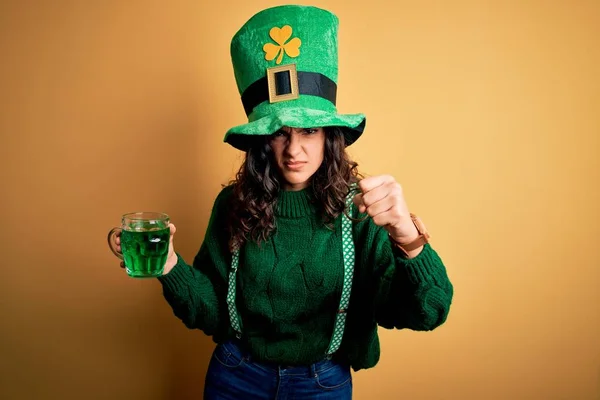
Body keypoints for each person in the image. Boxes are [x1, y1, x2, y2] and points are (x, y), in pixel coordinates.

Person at [111, 5, 453, 399]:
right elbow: (212, 313)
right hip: (235, 377)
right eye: (279, 132)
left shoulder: (363, 211)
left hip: (323, 384)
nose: (294, 150)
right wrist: (169, 264)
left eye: (308, 130)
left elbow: (429, 311)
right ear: (262, 140)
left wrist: (407, 236)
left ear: (330, 135)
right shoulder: (233, 204)